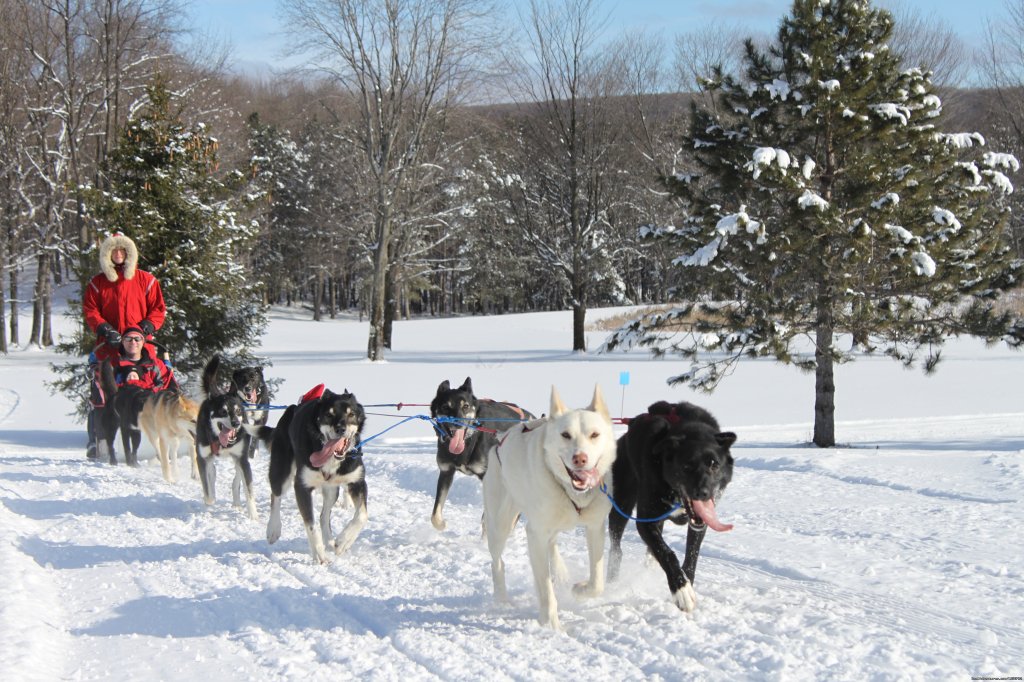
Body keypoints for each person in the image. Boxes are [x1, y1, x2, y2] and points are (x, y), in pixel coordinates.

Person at [84, 232, 168, 458]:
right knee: (102, 394)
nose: (118, 255)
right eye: (113, 251)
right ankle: (97, 439)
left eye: (122, 250)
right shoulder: (98, 283)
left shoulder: (146, 280)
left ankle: (158, 440)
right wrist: (104, 328)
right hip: (109, 350)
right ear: (107, 255)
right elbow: (91, 310)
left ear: (129, 253)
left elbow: (158, 309)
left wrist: (147, 326)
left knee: (152, 388)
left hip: (140, 349)